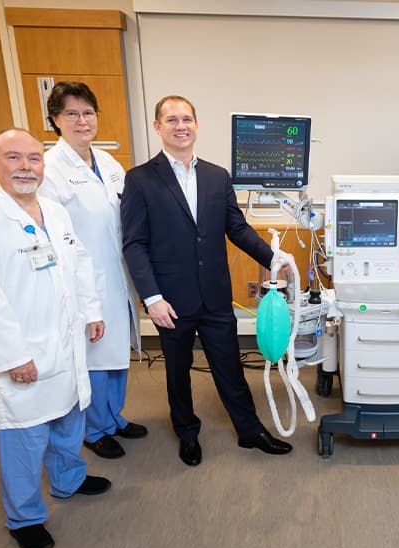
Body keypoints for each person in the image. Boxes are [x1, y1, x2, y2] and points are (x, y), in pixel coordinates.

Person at [0, 129, 112, 548]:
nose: (26, 167)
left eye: (33, 158)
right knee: (24, 437)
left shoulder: (54, 213)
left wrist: (93, 310)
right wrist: (12, 357)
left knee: (68, 416)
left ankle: (69, 479)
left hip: (65, 340)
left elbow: (80, 261)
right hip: (22, 353)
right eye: (14, 158)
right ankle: (24, 517)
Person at [121, 95, 293, 466]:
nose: (180, 126)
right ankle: (187, 432)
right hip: (170, 299)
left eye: (186, 119)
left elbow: (237, 228)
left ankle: (250, 430)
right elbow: (134, 243)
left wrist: (272, 256)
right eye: (171, 120)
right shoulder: (140, 180)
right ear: (158, 127)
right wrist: (151, 297)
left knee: (229, 366)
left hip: (215, 295)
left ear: (196, 125)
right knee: (177, 372)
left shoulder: (217, 176)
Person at [41, 81, 147, 460]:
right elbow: (54, 234)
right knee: (95, 358)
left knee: (117, 351)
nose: (82, 121)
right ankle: (94, 428)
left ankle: (112, 417)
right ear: (55, 119)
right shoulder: (50, 169)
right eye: (71, 113)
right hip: (85, 280)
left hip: (117, 273)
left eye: (88, 113)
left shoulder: (109, 163)